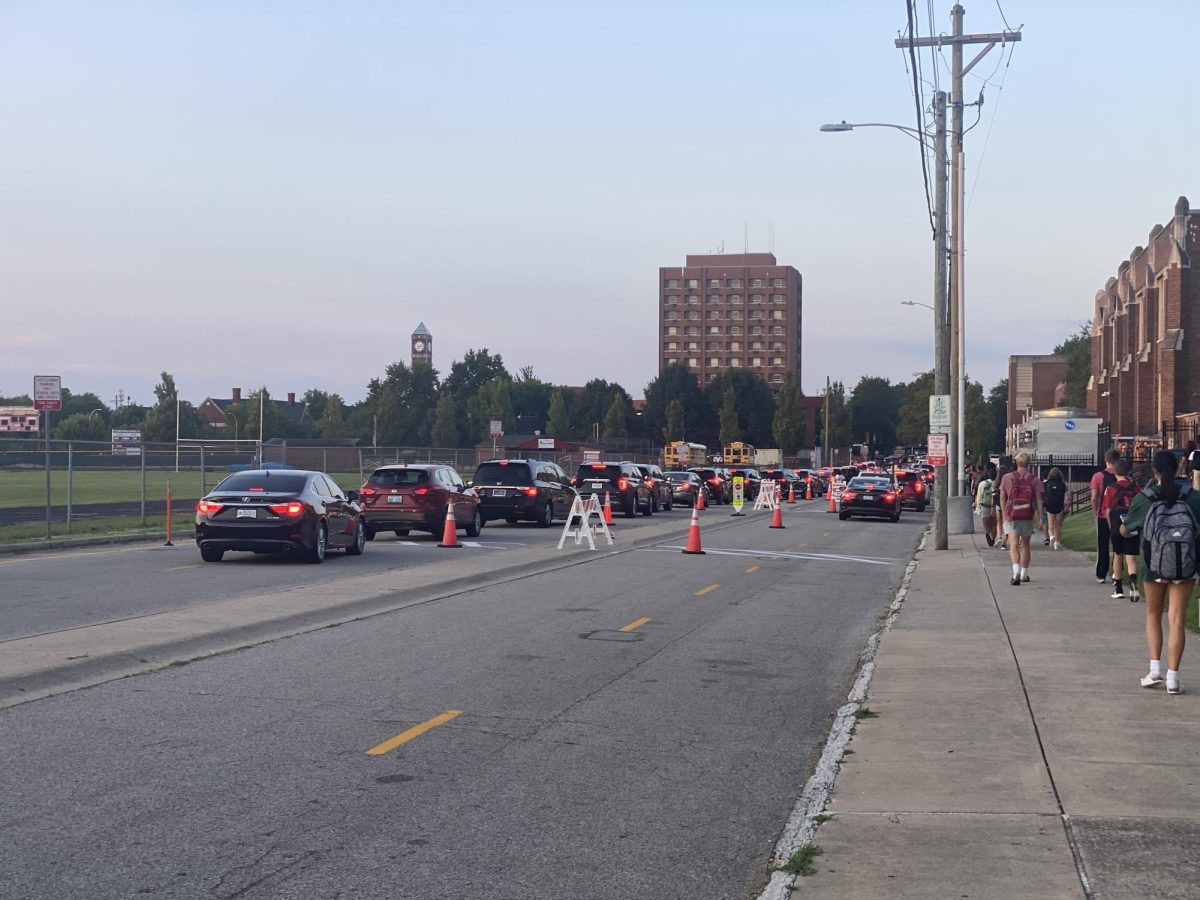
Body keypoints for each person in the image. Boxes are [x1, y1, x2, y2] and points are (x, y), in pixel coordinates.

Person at [1120, 450, 1200, 695]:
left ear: (1154, 471)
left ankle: (1155, 670)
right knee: (1177, 619)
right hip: (1185, 564)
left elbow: (1125, 529)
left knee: (1153, 615)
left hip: (1154, 564)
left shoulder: (1145, 498)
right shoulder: (1193, 497)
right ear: (1178, 470)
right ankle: (1173, 678)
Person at [999, 452, 1044, 586]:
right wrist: (1040, 516)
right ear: (1029, 463)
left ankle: (1015, 572)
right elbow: (1038, 499)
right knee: (1025, 545)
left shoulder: (1007, 477)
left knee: (1013, 544)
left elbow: (1002, 497)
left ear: (1016, 463)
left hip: (1011, 515)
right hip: (1027, 515)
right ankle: (1024, 573)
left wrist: (1003, 514)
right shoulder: (1034, 480)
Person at [1101, 459, 1140, 601]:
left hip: (1118, 525)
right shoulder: (1136, 488)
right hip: (1132, 525)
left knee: (1118, 556)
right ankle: (1133, 582)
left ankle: (1118, 588)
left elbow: (1108, 510)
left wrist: (1112, 526)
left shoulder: (1111, 489)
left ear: (1115, 472)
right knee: (1131, 557)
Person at [1090, 449, 1120, 583]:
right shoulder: (1123, 475)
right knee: (1118, 546)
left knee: (1103, 545)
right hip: (1118, 515)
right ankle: (1117, 573)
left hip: (1102, 514)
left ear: (1106, 460)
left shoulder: (1098, 476)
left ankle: (1101, 573)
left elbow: (1094, 497)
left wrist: (1095, 510)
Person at [1042, 467, 1067, 550]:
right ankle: (1057, 542)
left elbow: (1044, 495)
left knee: (1051, 525)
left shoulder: (1046, 483)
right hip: (1059, 505)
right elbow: (1064, 494)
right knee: (1058, 525)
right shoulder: (1062, 484)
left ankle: (1051, 536)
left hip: (1050, 506)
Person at [975, 462, 997, 547]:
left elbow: (979, 496)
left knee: (986, 523)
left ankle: (987, 534)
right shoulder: (997, 483)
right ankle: (993, 538)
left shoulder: (983, 484)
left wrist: (978, 508)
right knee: (994, 524)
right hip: (994, 506)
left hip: (985, 505)